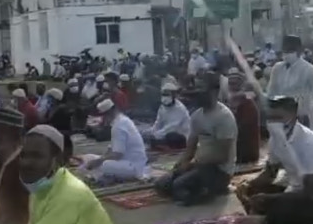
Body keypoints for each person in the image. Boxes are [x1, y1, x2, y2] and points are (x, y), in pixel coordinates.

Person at [233, 96, 313, 224]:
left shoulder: (310, 143)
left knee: (276, 207)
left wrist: (271, 199)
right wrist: (248, 185)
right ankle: (263, 216)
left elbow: (309, 194)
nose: (273, 122)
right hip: (296, 191)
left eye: (278, 117)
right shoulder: (276, 139)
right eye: (271, 117)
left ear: (293, 114)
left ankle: (264, 221)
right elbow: (270, 173)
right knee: (254, 193)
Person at [155, 72, 238, 206]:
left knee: (179, 187)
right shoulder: (197, 116)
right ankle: (198, 187)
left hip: (218, 171)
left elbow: (223, 156)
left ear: (214, 91)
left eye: (202, 89)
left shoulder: (224, 117)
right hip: (200, 165)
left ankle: (208, 191)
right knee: (161, 185)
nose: (197, 93)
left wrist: (194, 163)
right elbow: (191, 148)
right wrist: (180, 164)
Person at [265, 35, 313, 135]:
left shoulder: (309, 69)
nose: (287, 54)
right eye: (285, 50)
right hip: (283, 121)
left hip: (304, 121)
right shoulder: (277, 69)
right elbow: (271, 93)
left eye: (291, 50)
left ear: (299, 51)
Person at [77, 99, 148, 183]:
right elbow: (111, 149)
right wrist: (97, 160)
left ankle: (99, 177)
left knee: (104, 165)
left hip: (132, 166)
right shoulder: (121, 121)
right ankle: (100, 175)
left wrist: (98, 161)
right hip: (125, 162)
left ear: (110, 113)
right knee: (89, 157)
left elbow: (117, 154)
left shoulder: (119, 126)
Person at [145, 82, 191, 149]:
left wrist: (156, 135)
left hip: (180, 136)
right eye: (164, 94)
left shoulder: (180, 108)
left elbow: (172, 127)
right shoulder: (162, 107)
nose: (165, 97)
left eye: (167, 94)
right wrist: (151, 132)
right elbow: (158, 123)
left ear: (173, 95)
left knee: (171, 136)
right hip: (164, 133)